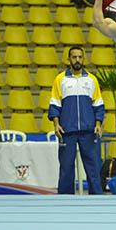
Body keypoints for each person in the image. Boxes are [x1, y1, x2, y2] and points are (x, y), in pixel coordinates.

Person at [49, 45, 105, 195]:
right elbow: (55, 104)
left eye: (80, 57)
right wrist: (56, 124)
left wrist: (98, 124)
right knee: (66, 168)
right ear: (69, 59)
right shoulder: (60, 79)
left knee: (92, 167)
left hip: (88, 131)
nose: (77, 60)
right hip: (67, 131)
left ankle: (97, 198)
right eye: (74, 57)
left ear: (83, 58)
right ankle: (65, 200)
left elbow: (98, 105)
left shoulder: (92, 79)